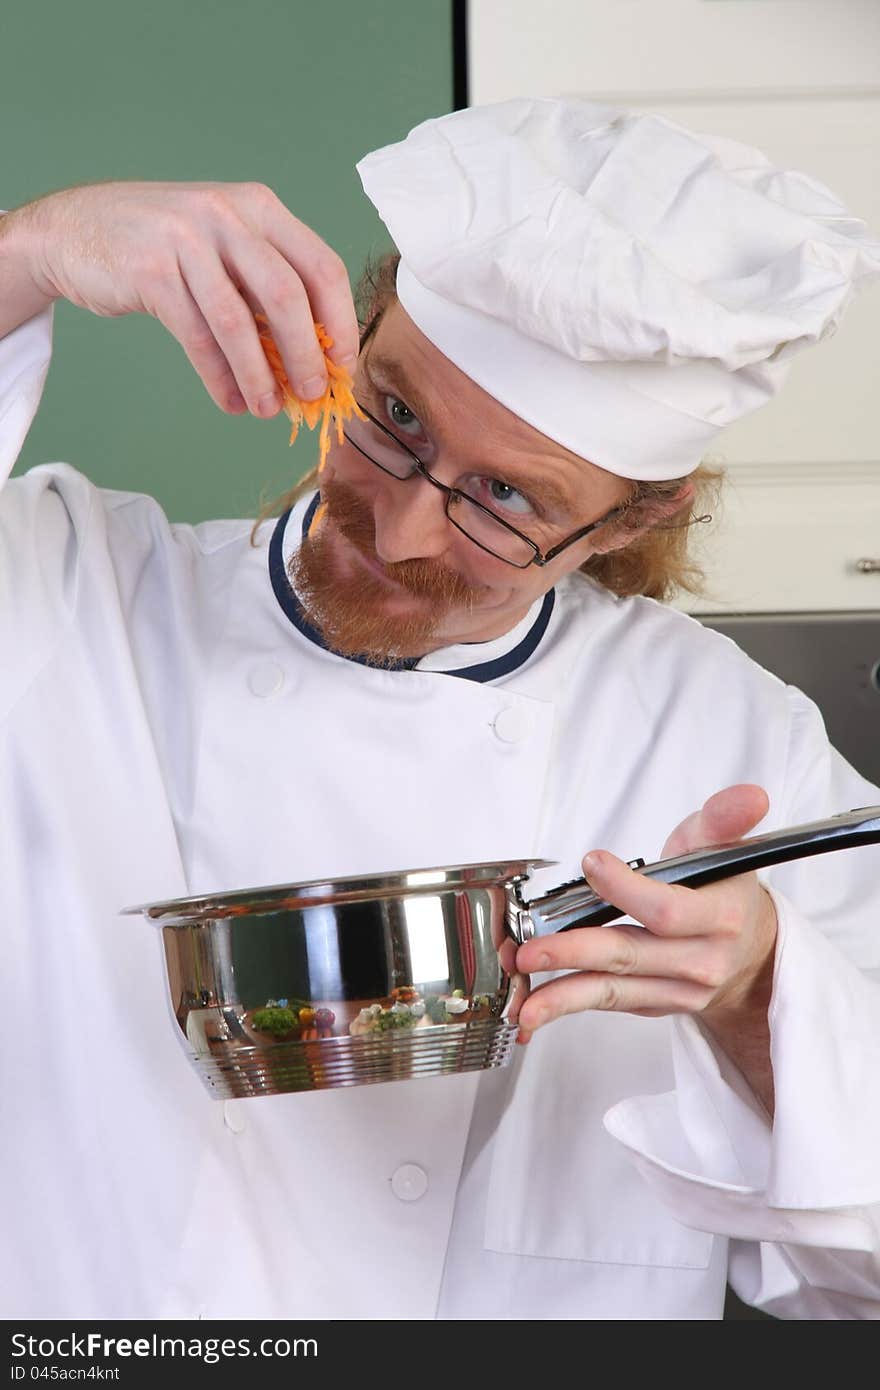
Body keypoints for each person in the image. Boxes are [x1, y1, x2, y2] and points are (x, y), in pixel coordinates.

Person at [1, 97, 879, 1322]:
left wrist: (755, 993)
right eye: (395, 417)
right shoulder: (65, 598)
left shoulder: (725, 740)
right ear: (347, 343)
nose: (400, 526)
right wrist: (23, 253)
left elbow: (862, 1278)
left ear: (628, 520)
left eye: (505, 497)